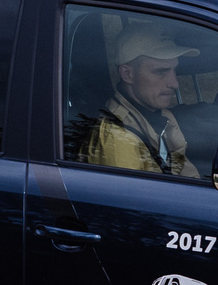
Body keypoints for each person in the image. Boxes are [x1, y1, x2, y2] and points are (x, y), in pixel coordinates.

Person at [83, 25, 201, 177]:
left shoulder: (158, 115)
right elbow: (133, 199)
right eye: (160, 72)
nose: (175, 84)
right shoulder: (119, 138)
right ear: (127, 74)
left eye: (174, 70)